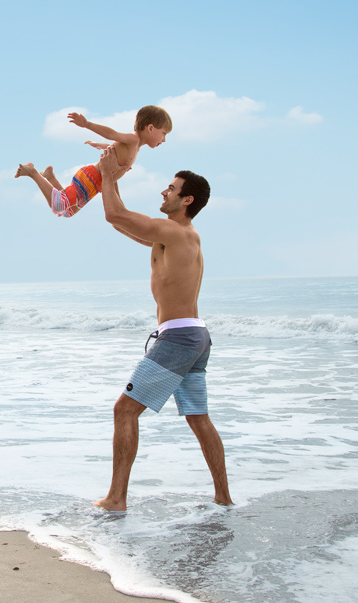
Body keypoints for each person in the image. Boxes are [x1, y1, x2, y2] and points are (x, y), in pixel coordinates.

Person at [91, 146, 232, 512]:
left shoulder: (176, 233)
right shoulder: (175, 235)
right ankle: (223, 498)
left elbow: (113, 214)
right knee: (199, 418)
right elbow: (120, 220)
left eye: (170, 188)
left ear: (187, 199)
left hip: (180, 338)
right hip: (194, 336)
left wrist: (107, 174)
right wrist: (113, 180)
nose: (163, 191)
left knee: (124, 411)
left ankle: (117, 499)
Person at [15, 105, 172, 218]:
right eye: (163, 133)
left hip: (95, 185)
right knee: (58, 204)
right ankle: (32, 172)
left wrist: (99, 145)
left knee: (68, 212)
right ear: (150, 128)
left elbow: (114, 147)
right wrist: (87, 124)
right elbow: (112, 134)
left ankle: (50, 177)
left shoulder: (136, 146)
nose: (164, 140)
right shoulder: (133, 139)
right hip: (90, 178)